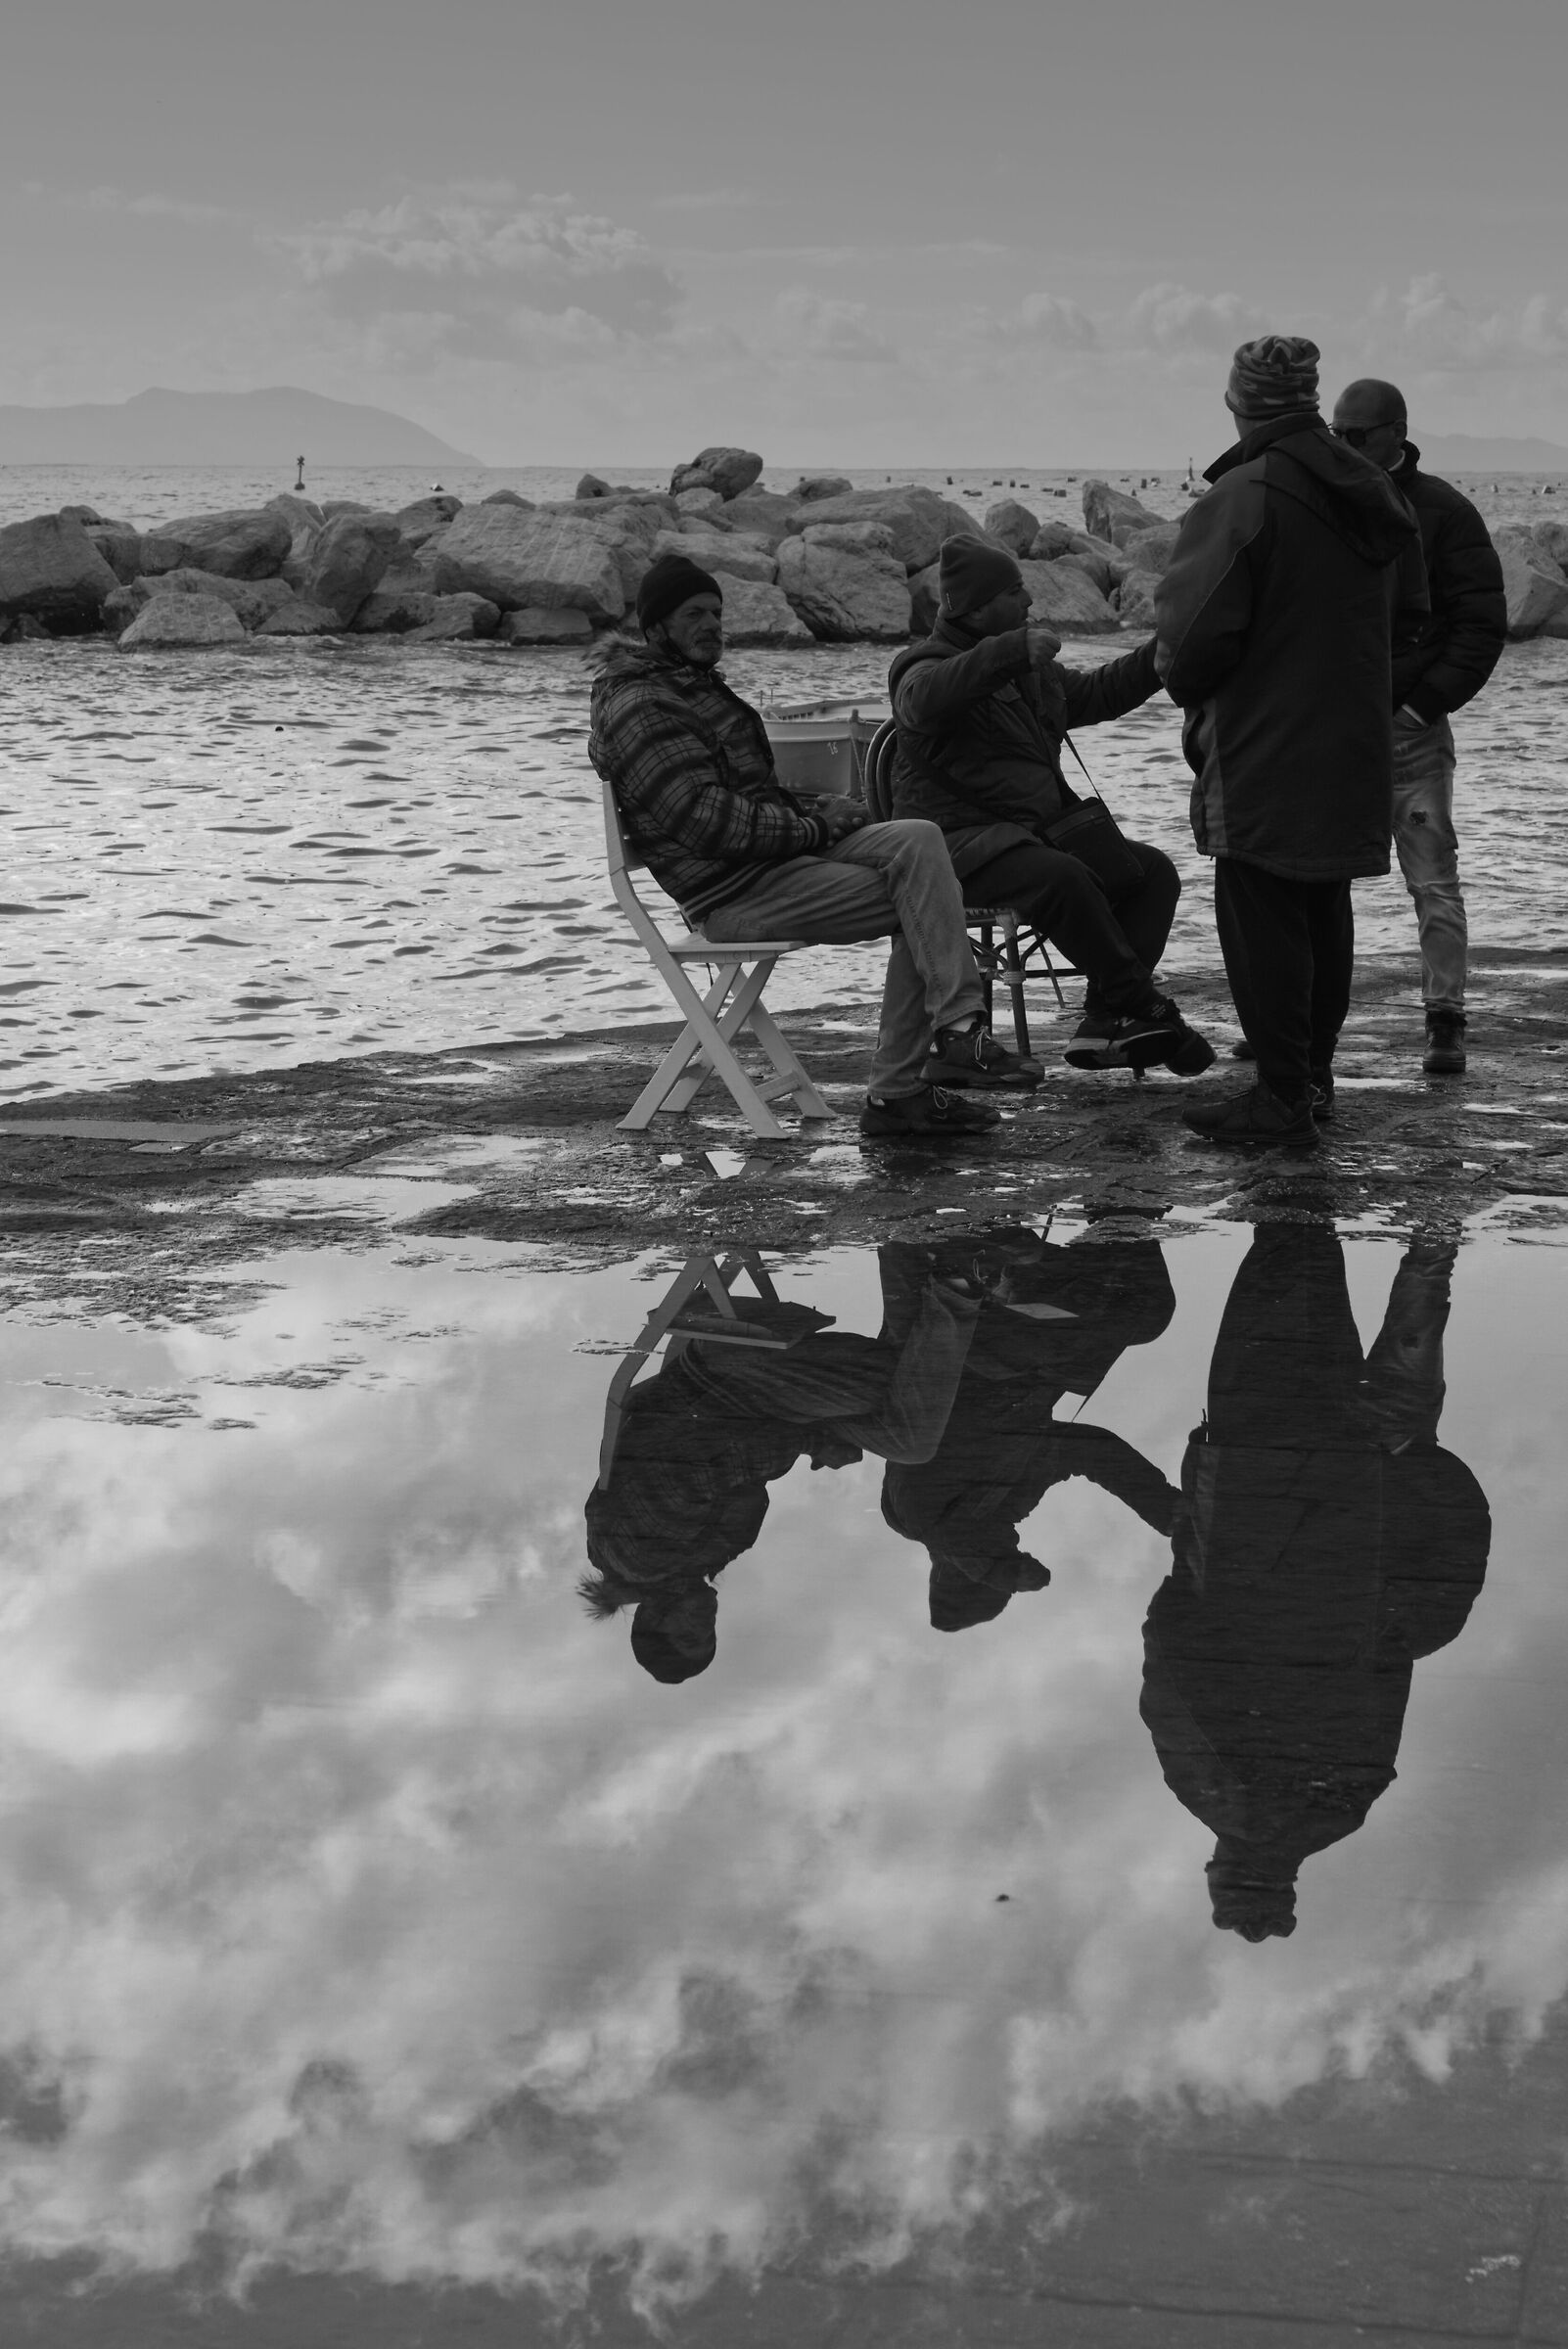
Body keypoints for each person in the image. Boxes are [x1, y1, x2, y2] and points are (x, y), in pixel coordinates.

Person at [589, 552, 1038, 1143]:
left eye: (717, 613)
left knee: (920, 840)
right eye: (694, 614)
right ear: (654, 629)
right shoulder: (644, 705)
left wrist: (822, 815)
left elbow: (752, 800)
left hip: (774, 868)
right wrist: (817, 829)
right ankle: (905, 1087)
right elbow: (709, 824)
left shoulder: (689, 688)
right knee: (926, 896)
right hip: (732, 897)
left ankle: (956, 1032)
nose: (711, 625)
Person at [1140, 1222, 1491, 1941]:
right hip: (1253, 1484)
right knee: (1289, 1252)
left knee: (1379, 1332)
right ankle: (1293, 1141)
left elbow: (1392, 1660)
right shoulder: (1201, 1786)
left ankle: (1433, 1221)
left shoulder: (1344, 1807)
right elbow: (1166, 1639)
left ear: (1286, 1887)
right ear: (1223, 1873)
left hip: (1360, 1510)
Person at [1155, 335, 1426, 1145]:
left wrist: (1196, 692)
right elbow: (1414, 621)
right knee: (1321, 909)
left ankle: (1279, 1097)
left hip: (1263, 747)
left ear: (1238, 401)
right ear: (1309, 400)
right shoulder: (1376, 493)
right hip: (1351, 742)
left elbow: (1191, 642)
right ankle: (1310, 1082)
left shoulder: (1245, 495)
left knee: (1262, 914)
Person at [887, 536, 1214, 1076]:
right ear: (973, 605)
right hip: (953, 849)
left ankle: (1105, 1022)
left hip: (1030, 838)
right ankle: (1144, 1005)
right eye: (1015, 593)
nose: (1028, 602)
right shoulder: (920, 664)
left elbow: (1096, 695)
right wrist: (1007, 652)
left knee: (1153, 872)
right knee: (1061, 877)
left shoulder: (1031, 672)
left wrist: (1161, 655)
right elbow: (919, 704)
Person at [581, 1246, 984, 1681]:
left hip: (726, 1382)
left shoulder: (639, 1555)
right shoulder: (688, 1563)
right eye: (711, 1633)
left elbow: (712, 1459)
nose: (708, 1622)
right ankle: (923, 1255)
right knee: (917, 1404)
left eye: (693, 1633)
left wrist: (814, 1440)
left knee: (911, 1420)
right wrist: (811, 1440)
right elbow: (740, 1469)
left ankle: (956, 1278)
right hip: (752, 1401)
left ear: (652, 1623)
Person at [1330, 380, 1505, 1076]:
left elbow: (1481, 624)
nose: (1343, 446)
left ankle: (1446, 1022)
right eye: (1336, 433)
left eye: (1357, 435)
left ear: (1397, 432)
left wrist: (1421, 706)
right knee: (1312, 881)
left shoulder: (1444, 511)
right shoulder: (1328, 502)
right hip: (1332, 730)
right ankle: (1301, 1021)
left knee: (1433, 880)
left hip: (1410, 731)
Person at [878, 1226, 1179, 1628]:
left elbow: (950, 1535)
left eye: (990, 1572)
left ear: (960, 1570)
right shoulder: (1013, 1503)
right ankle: (1118, 1218)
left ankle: (1009, 1255)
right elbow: (1090, 1450)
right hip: (1028, 1359)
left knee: (1125, 1313)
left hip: (964, 1351)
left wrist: (998, 1571)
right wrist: (1165, 1510)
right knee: (1145, 1314)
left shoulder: (915, 1517)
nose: (1017, 1548)